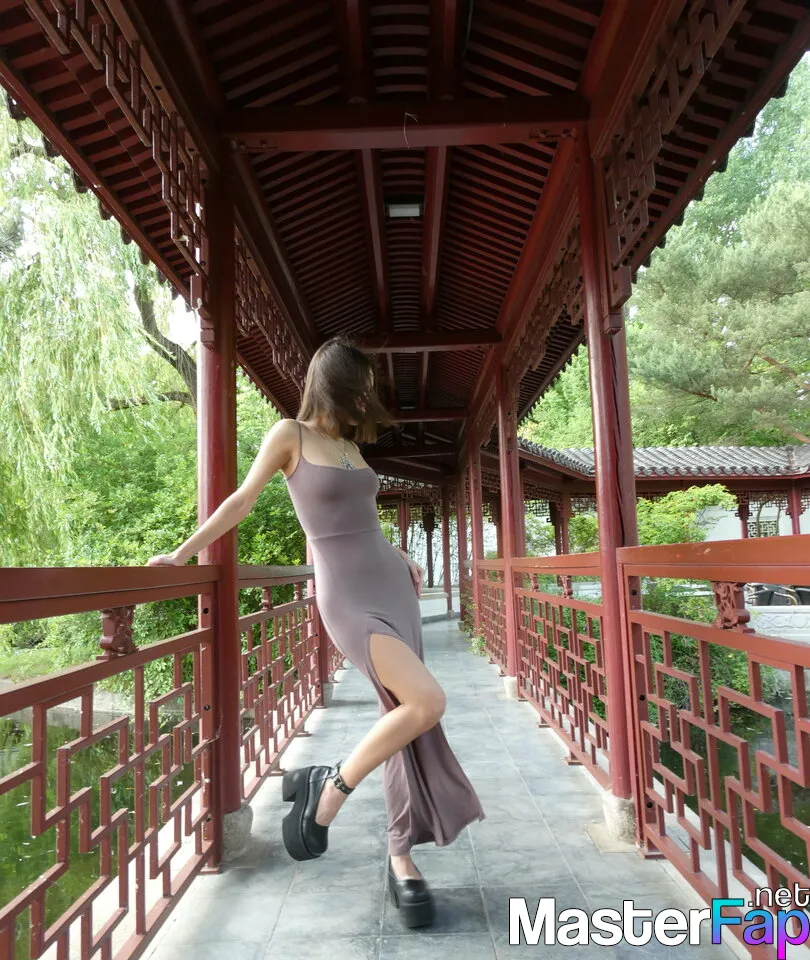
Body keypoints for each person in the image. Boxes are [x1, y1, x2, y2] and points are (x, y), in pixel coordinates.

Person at [147, 336, 484, 927]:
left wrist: (401, 553)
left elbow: (364, 522)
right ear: (336, 383)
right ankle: (332, 786)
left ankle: (400, 853)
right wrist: (183, 552)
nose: (368, 399)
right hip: (347, 596)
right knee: (426, 702)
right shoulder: (290, 435)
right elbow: (242, 500)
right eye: (362, 388)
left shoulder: (350, 447)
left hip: (391, 585)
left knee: (404, 715)